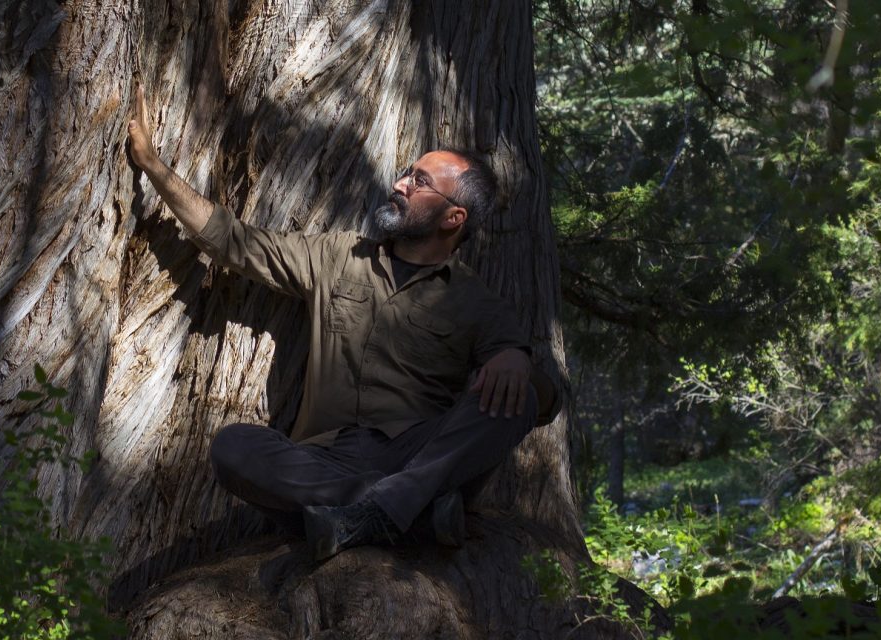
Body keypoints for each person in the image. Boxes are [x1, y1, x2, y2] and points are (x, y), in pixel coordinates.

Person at [126, 85, 560, 561]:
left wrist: (516, 360)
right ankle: (408, 511)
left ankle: (386, 507)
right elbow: (234, 243)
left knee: (512, 401)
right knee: (234, 447)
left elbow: (547, 400)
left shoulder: (473, 298)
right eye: (405, 174)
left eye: (419, 181)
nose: (400, 184)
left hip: (415, 454)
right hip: (323, 458)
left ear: (453, 217)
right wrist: (153, 166)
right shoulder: (339, 255)